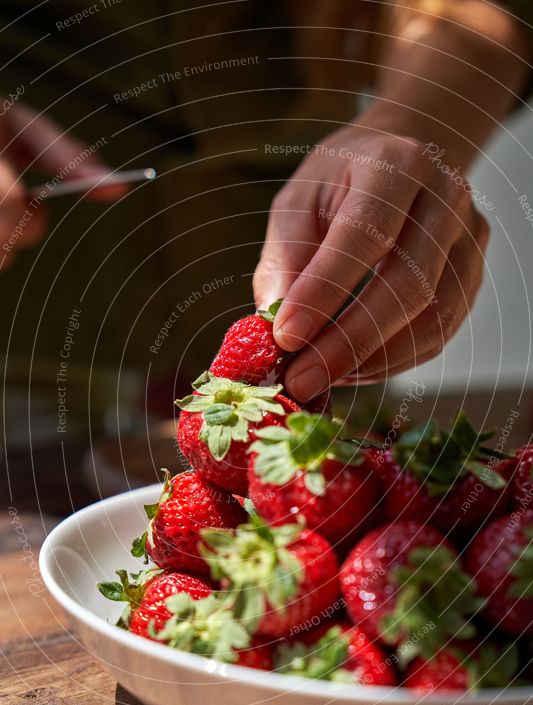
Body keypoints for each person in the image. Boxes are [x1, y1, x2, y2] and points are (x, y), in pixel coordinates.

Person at [1, 0, 531, 432]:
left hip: (328, 332)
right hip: (28, 354)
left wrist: (411, 123)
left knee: (328, 538)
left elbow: (485, 10)